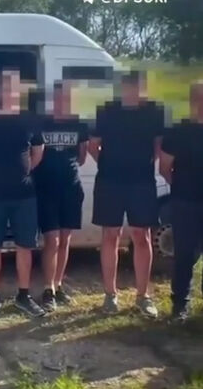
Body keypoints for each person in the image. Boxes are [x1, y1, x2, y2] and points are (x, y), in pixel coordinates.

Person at [89, 71, 164, 318]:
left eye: (138, 86)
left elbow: (158, 147)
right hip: (109, 181)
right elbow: (93, 146)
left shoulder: (154, 112)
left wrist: (140, 166)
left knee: (142, 236)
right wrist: (109, 165)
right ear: (122, 88)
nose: (133, 91)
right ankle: (110, 295)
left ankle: (143, 296)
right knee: (111, 235)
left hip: (142, 182)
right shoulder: (106, 110)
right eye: (129, 86)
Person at [0, 69, 46, 319]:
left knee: (25, 246)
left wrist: (25, 171)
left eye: (14, 87)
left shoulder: (30, 120)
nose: (9, 92)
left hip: (24, 195)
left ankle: (24, 296)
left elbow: (38, 151)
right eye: (5, 87)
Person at [33, 81, 89, 312]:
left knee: (65, 240)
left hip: (71, 188)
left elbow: (82, 157)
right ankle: (48, 289)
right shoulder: (41, 123)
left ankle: (58, 286)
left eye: (66, 98)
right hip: (46, 189)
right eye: (58, 98)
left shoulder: (80, 125)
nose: (61, 102)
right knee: (52, 240)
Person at [159, 81, 203, 323]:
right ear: (192, 102)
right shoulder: (179, 131)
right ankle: (180, 305)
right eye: (199, 98)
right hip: (186, 201)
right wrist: (180, 187)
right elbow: (164, 167)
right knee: (185, 254)